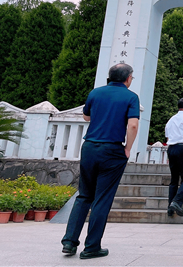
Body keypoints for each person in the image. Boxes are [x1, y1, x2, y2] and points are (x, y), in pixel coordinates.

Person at [61, 63, 140, 259]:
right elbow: (133, 125)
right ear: (128, 78)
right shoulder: (131, 97)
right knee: (102, 198)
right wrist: (128, 148)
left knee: (84, 195)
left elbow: (86, 116)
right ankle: (91, 247)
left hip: (89, 147)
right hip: (112, 150)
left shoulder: (95, 93)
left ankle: (69, 242)